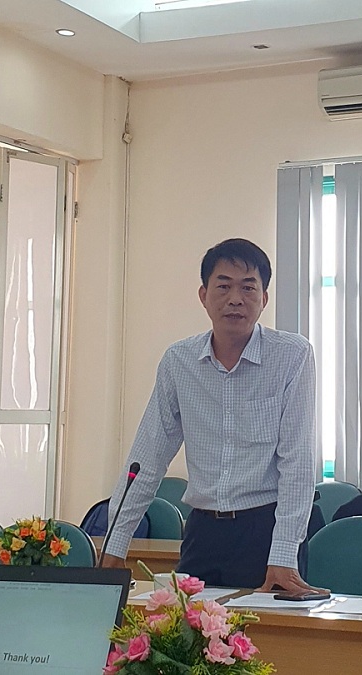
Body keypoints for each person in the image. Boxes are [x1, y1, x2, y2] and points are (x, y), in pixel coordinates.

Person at [102, 238, 325, 594]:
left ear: (264, 298)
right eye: (223, 286)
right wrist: (115, 547)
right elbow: (147, 458)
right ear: (203, 295)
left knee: (266, 629)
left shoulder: (291, 356)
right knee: (184, 626)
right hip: (202, 531)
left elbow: (297, 461)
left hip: (265, 529)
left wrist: (283, 554)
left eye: (248, 287)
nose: (235, 299)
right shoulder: (179, 361)